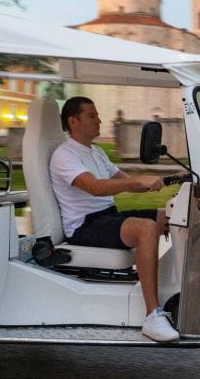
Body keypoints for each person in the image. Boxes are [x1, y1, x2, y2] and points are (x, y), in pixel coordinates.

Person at [49, 96, 179, 342]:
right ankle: (153, 315)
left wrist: (164, 179)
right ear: (73, 121)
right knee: (146, 228)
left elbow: (125, 182)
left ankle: (180, 287)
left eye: (97, 115)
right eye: (92, 116)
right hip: (84, 226)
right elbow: (96, 187)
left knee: (172, 216)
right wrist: (135, 181)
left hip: (106, 217)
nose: (99, 120)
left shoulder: (96, 152)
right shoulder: (64, 155)